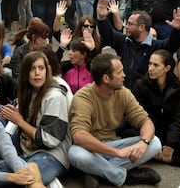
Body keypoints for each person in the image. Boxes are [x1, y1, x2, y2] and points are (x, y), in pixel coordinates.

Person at [68, 53, 162, 187]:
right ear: (106, 78)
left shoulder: (123, 92)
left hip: (112, 145)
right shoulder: (83, 97)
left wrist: (143, 142)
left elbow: (145, 121)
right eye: (120, 72)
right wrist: (117, 153)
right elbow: (79, 136)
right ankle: (125, 176)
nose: (124, 75)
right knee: (75, 154)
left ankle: (98, 172)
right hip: (91, 148)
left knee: (155, 143)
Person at [0, 51, 72, 186]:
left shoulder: (54, 96)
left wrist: (19, 120)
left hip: (52, 155)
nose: (37, 73)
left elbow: (50, 139)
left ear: (46, 70)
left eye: (41, 68)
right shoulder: (29, 91)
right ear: (26, 72)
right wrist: (11, 112)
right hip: (27, 151)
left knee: (21, 177)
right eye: (32, 69)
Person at [131, 49, 180, 169]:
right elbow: (142, 118)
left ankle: (154, 154)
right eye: (150, 64)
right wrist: (153, 142)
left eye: (156, 65)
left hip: (166, 131)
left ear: (167, 68)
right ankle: (176, 160)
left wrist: (170, 144)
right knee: (128, 136)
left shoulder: (178, 86)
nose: (151, 68)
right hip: (146, 131)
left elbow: (178, 118)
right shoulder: (141, 85)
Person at [97, 0, 180, 89]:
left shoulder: (156, 46)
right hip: (124, 94)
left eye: (130, 24)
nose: (126, 27)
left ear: (141, 27)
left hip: (147, 96)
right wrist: (102, 18)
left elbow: (173, 44)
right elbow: (108, 34)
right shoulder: (124, 42)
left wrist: (177, 30)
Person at [10, 18, 50, 83]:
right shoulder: (20, 51)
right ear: (34, 37)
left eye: (47, 36)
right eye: (43, 37)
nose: (46, 40)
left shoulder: (47, 50)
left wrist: (62, 47)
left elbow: (55, 68)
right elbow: (16, 77)